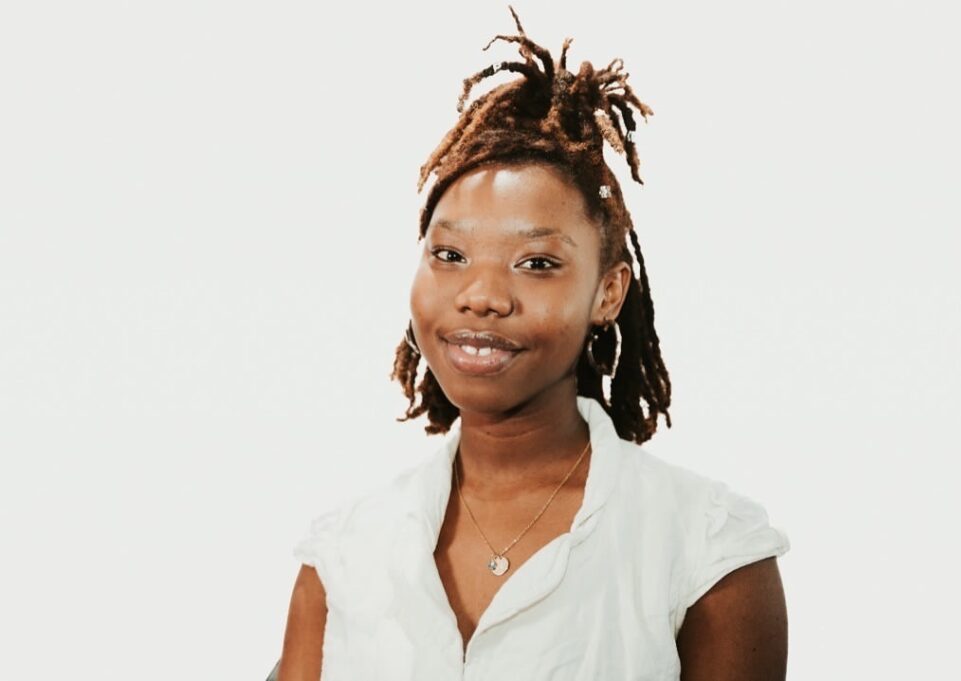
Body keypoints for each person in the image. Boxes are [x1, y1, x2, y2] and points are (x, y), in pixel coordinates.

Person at [275, 6, 790, 680]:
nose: (482, 295)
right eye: (450, 254)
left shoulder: (709, 550)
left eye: (537, 263)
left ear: (608, 291)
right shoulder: (342, 556)